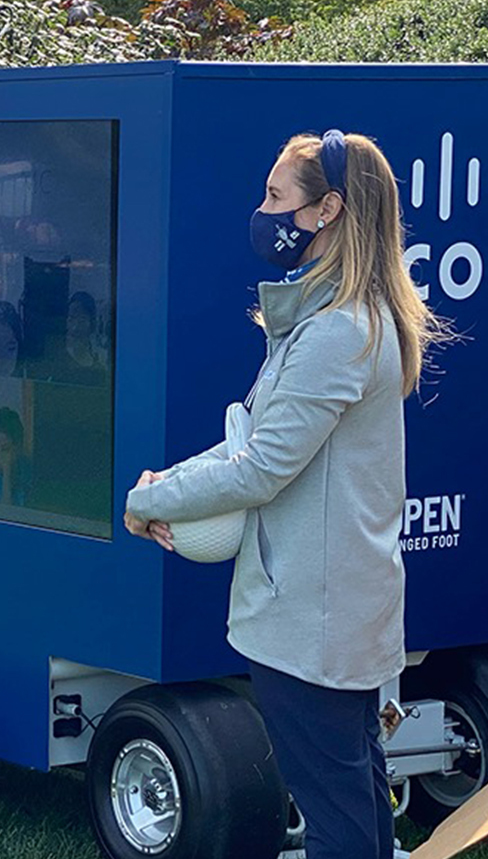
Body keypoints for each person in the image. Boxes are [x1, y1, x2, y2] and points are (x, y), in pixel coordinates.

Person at [123, 130, 451, 859]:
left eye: (277, 197)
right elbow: (253, 444)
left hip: (313, 621)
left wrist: (150, 503)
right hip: (330, 611)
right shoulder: (338, 322)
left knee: (340, 819)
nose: (263, 211)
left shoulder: (336, 333)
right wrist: (168, 489)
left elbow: (260, 471)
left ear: (327, 210)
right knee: (356, 800)